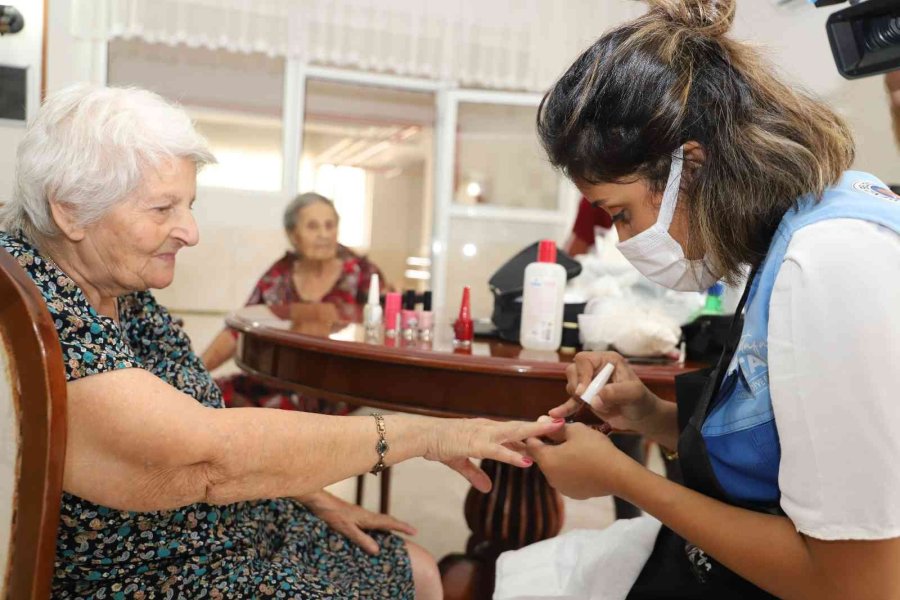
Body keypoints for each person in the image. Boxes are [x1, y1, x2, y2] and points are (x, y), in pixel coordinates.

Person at [0, 83, 565, 599]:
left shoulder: (117, 287)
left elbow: (200, 422)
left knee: (413, 564)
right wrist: (425, 434)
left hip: (215, 521)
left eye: (189, 205)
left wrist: (311, 492)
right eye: (163, 208)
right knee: (408, 575)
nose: (191, 232)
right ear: (69, 211)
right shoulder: (39, 308)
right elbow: (206, 457)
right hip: (145, 567)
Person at [507, 0, 900, 597]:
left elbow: (860, 584)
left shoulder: (829, 264)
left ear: (689, 168)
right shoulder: (803, 228)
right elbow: (788, 448)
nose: (624, 239)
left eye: (621, 213)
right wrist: (649, 416)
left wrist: (623, 478)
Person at [202, 192, 388, 412]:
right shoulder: (279, 275)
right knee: (209, 395)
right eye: (313, 226)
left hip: (339, 387)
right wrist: (196, 370)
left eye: (330, 225)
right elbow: (240, 329)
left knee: (276, 412)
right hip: (280, 381)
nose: (324, 234)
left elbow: (391, 328)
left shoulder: (361, 273)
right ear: (293, 235)